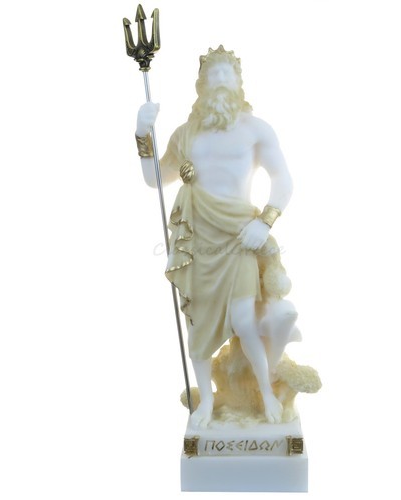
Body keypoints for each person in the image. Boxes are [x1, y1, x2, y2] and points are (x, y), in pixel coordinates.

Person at [136, 46, 296, 428]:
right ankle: (206, 400)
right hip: (198, 239)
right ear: (202, 85)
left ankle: (266, 392)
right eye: (214, 74)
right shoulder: (186, 135)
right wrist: (142, 135)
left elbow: (283, 179)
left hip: (240, 236)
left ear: (238, 82)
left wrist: (265, 222)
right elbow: (155, 179)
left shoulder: (255, 129)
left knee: (244, 320)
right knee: (198, 325)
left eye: (228, 74)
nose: (221, 80)